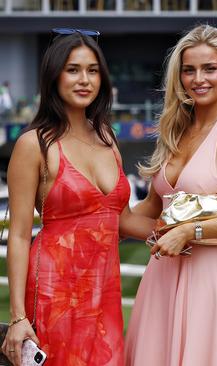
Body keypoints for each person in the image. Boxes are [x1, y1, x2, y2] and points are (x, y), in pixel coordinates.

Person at [121, 25, 217, 365]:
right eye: (189, 70)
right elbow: (152, 210)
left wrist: (190, 231)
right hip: (161, 278)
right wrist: (98, 212)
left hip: (211, 278)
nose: (198, 78)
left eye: (209, 68)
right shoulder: (174, 130)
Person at [1, 30, 128, 365]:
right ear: (53, 75)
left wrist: (185, 225)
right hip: (54, 293)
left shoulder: (107, 138)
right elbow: (18, 235)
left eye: (93, 70)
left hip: (105, 291)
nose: (84, 79)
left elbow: (122, 217)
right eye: (73, 69)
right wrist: (17, 317)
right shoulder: (34, 144)